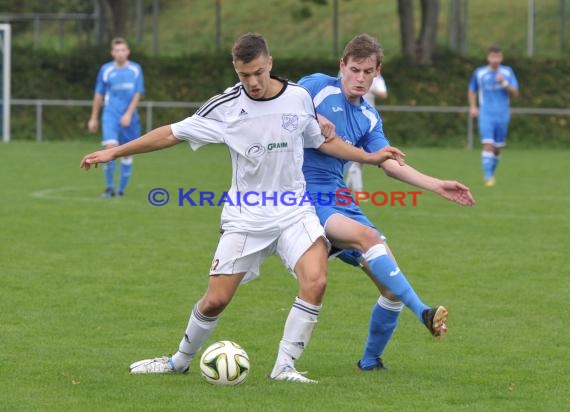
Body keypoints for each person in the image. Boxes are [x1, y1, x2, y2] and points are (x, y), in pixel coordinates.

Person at [80, 33, 404, 383]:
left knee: (316, 280)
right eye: (243, 75)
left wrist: (369, 158)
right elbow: (171, 133)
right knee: (215, 301)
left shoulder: (298, 97)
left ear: (270, 64)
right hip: (246, 216)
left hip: (295, 210)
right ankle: (179, 360)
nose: (251, 82)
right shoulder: (226, 106)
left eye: (258, 73)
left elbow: (324, 142)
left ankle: (284, 367)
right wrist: (114, 151)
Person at [298, 34, 475, 371]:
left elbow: (388, 162)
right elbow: (279, 96)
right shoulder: (316, 87)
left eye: (368, 72)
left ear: (377, 71)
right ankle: (423, 310)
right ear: (342, 66)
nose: (360, 78)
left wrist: (436, 185)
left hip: (339, 198)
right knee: (370, 240)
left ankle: (370, 361)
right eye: (354, 70)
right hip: (302, 195)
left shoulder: (368, 117)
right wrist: (309, 116)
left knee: (391, 289)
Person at [87, 37, 145, 198]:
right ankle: (110, 188)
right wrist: (93, 118)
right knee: (110, 149)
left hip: (130, 117)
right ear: (112, 53)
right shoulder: (106, 70)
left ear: (128, 52)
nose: (120, 53)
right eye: (117, 50)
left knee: (127, 152)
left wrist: (128, 114)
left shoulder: (135, 69)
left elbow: (137, 94)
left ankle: (121, 191)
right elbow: (99, 94)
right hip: (110, 115)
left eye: (123, 50)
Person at [468, 45, 519, 187]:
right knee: (488, 144)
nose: (495, 59)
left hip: (502, 114)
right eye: (492, 56)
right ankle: (488, 177)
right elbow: (472, 90)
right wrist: (473, 107)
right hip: (486, 113)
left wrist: (504, 83)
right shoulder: (480, 73)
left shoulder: (507, 72)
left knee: (497, 149)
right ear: (488, 57)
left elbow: (515, 93)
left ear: (501, 58)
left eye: (498, 57)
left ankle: (491, 172)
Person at [345, 73, 388, 192]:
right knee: (356, 159)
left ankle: (346, 191)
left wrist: (370, 88)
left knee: (359, 161)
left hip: (368, 122)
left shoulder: (377, 79)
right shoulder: (348, 75)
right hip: (352, 120)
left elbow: (383, 94)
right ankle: (359, 192)